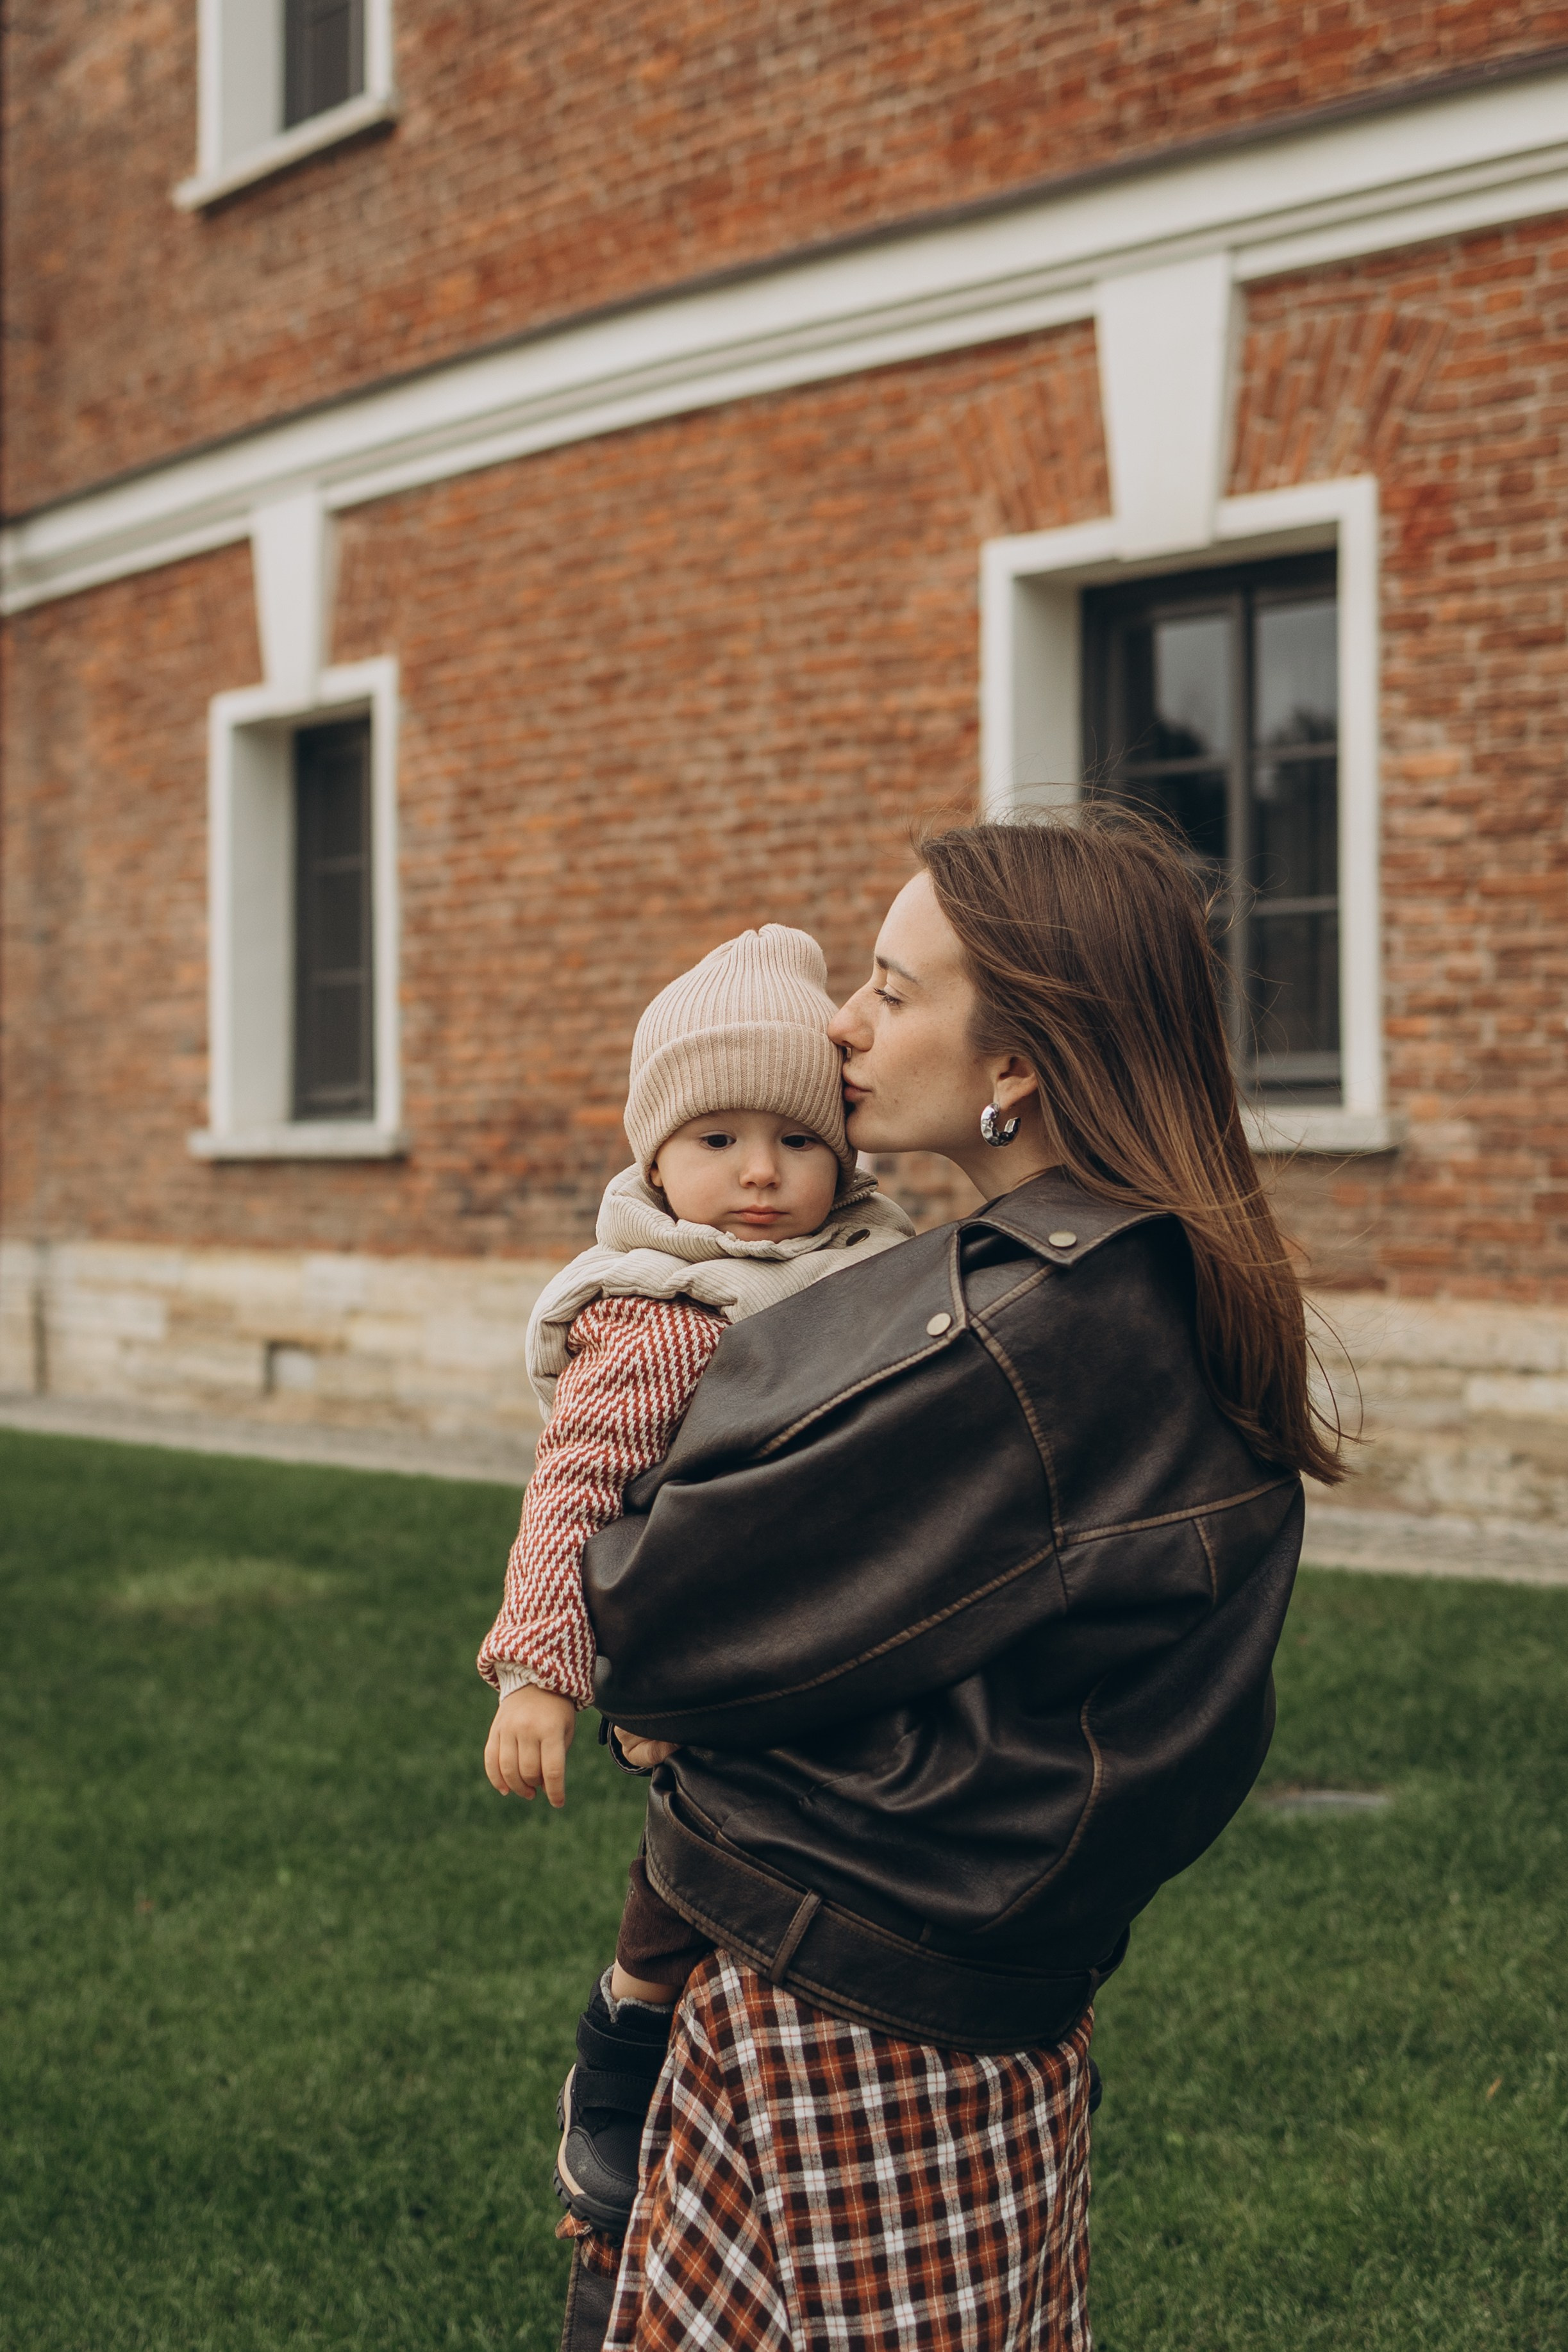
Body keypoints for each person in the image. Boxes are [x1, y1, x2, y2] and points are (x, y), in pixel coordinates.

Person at [563, 811, 1345, 2351]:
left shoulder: (1023, 1332)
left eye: (889, 987)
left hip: (855, 2011)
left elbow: (646, 1611)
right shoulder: (1136, 1269)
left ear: (1017, 1062)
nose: (840, 1027)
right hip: (972, 1985)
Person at [476, 924, 913, 2233]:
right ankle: (624, 2033)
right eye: (717, 1138)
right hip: (708, 1644)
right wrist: (541, 1669)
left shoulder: (876, 1270)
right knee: (704, 1840)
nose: (760, 1172)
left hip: (846, 1631)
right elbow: (575, 1485)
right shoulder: (668, 1308)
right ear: (654, 1157)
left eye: (797, 1139)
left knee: (829, 1843)